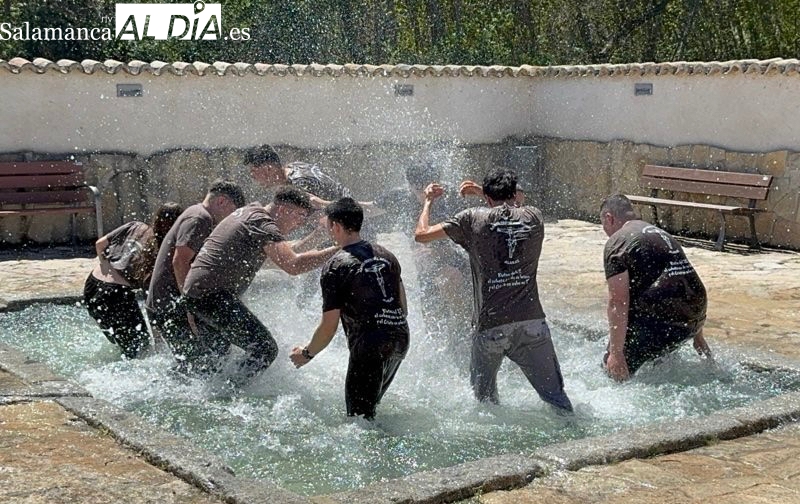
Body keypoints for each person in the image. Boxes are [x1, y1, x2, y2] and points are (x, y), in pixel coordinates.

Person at [414, 168, 573, 413]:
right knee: (558, 400)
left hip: (490, 328)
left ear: (487, 198)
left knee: (485, 404)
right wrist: (482, 191)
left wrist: (427, 202)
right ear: (514, 193)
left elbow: (421, 235)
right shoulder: (534, 216)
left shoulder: (471, 218)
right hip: (532, 323)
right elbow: (515, 204)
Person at [180, 186, 339, 380]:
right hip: (212, 296)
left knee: (217, 363)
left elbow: (290, 253)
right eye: (300, 216)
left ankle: (208, 390)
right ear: (283, 209)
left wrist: (320, 235)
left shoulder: (251, 213)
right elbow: (293, 265)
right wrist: (341, 249)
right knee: (265, 349)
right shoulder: (263, 224)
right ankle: (234, 391)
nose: (300, 223)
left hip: (198, 296)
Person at [290, 198, 409, 420]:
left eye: (328, 224)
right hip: (400, 339)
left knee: (359, 422)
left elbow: (329, 327)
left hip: (369, 346)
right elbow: (403, 307)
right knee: (370, 411)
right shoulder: (388, 255)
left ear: (335, 226)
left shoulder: (336, 266)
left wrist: (306, 354)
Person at [599, 194, 712, 381]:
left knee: (610, 369)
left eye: (603, 224)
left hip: (663, 319)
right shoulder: (660, 233)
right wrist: (697, 335)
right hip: (693, 316)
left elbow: (618, 301)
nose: (605, 231)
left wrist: (616, 354)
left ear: (609, 218)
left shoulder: (617, 242)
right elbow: (682, 280)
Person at [145, 179, 246, 361]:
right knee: (200, 363)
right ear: (221, 201)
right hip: (171, 305)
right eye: (232, 212)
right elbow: (180, 261)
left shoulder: (195, 213)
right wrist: (191, 306)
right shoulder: (200, 218)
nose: (230, 219)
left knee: (199, 361)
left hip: (165, 303)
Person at [84, 202, 183, 358]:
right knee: (140, 349)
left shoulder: (135, 226)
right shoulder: (161, 253)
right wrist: (157, 341)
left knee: (121, 342)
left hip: (92, 285)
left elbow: (99, 244)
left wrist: (107, 269)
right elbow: (151, 300)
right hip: (115, 295)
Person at [243, 144, 381, 215]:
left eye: (254, 171)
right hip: (346, 205)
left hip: (348, 221)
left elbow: (319, 204)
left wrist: (370, 207)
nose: (252, 176)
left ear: (268, 169)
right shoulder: (294, 166)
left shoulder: (297, 184)